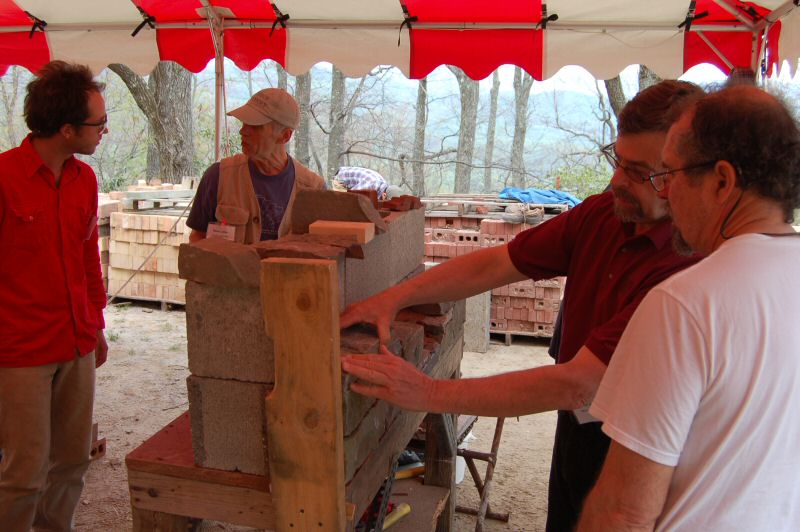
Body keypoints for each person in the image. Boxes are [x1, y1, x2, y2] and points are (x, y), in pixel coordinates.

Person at [340, 80, 704, 531]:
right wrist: (395, 297)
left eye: (639, 172)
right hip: (580, 426)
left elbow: (577, 384)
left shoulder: (689, 264)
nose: (616, 180)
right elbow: (496, 263)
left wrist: (429, 393)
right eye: (617, 160)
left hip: (640, 446)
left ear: (685, 173)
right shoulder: (601, 213)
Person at [578, 86, 800, 531]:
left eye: (671, 174)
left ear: (722, 181)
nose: (666, 193)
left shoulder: (682, 305)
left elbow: (624, 513)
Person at [0, 60, 109, 532]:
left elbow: (89, 261)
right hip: (19, 351)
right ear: (66, 129)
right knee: (24, 472)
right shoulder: (5, 178)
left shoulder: (85, 180)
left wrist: (97, 327)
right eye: (98, 124)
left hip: (77, 342)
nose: (104, 131)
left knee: (71, 461)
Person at [187, 88, 325, 244]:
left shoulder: (314, 190)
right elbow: (197, 237)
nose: (243, 131)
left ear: (285, 135)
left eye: (256, 126)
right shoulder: (218, 176)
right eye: (244, 123)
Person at [332, 166, 401, 200]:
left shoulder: (383, 186)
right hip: (340, 179)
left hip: (350, 178)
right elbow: (352, 193)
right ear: (384, 195)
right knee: (343, 201)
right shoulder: (371, 186)